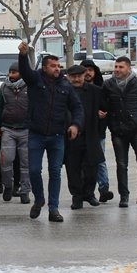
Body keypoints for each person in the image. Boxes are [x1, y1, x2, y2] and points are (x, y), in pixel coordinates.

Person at [18, 43, 84, 222]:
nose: (57, 69)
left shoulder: (65, 85)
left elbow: (77, 107)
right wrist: (23, 55)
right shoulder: (35, 80)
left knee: (55, 171)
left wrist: (76, 125)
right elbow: (25, 71)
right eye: (53, 66)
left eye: (58, 66)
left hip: (57, 136)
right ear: (44, 67)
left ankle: (53, 208)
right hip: (36, 134)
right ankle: (39, 199)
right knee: (34, 170)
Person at [102, 56, 137, 208]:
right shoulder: (108, 85)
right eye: (116, 67)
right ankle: (124, 196)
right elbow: (103, 104)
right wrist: (109, 121)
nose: (117, 70)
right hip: (118, 131)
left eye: (121, 67)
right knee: (121, 164)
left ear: (129, 69)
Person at [64, 64, 106, 211]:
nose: (76, 79)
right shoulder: (64, 91)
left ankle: (89, 193)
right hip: (71, 136)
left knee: (91, 167)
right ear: (68, 77)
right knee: (73, 168)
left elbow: (104, 109)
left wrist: (100, 123)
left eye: (79, 76)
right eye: (73, 77)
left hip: (91, 134)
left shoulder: (95, 91)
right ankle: (77, 196)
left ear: (84, 76)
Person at [0, 61, 31, 204]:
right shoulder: (4, 88)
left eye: (14, 72)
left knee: (26, 163)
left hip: (26, 129)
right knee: (6, 160)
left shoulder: (30, 86)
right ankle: (8, 185)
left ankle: (25, 191)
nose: (11, 75)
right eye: (10, 72)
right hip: (8, 129)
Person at [81, 59, 114, 203]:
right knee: (82, 163)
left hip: (97, 132)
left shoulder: (101, 89)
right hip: (80, 132)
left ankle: (104, 189)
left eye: (90, 70)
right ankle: (84, 192)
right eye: (85, 70)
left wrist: (103, 116)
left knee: (99, 161)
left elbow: (107, 108)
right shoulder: (75, 88)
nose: (87, 73)